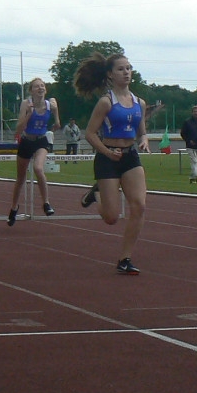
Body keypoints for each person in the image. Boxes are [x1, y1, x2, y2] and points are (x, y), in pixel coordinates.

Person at [77, 52, 148, 275]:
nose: (126, 72)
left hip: (130, 157)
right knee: (111, 218)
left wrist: (144, 140)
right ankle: (95, 193)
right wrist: (107, 152)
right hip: (108, 158)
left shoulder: (140, 103)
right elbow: (89, 134)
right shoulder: (106, 102)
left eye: (128, 68)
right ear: (110, 74)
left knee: (139, 205)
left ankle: (125, 258)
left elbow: (142, 132)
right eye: (121, 69)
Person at [9, 77, 58, 225]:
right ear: (31, 91)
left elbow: (57, 117)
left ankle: (46, 203)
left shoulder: (51, 104)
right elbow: (18, 129)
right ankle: (14, 208)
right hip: (26, 141)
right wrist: (29, 114)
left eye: (42, 86)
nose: (40, 88)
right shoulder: (26, 104)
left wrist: (56, 121)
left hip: (41, 141)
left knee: (38, 167)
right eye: (37, 86)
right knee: (21, 178)